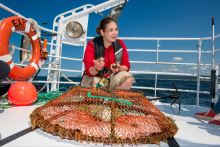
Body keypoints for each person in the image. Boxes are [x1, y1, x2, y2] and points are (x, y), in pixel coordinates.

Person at [81, 17, 134, 89]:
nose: (115, 33)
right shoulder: (92, 45)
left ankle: (115, 99)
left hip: (112, 77)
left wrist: (118, 68)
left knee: (128, 79)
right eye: (111, 30)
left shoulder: (121, 44)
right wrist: (96, 68)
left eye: (116, 29)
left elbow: (126, 66)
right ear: (102, 32)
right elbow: (89, 71)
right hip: (96, 77)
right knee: (89, 83)